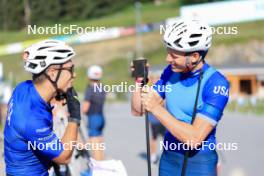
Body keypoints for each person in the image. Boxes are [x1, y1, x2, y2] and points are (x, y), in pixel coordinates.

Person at [131, 18, 229, 176]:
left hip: (199, 163)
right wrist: (139, 82)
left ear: (195, 56)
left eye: (174, 56)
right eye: (167, 52)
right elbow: (138, 110)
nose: (168, 59)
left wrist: (157, 109)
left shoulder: (216, 83)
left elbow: (195, 139)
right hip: (169, 160)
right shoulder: (170, 72)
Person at [4, 40, 81, 175]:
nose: (74, 75)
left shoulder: (23, 88)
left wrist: (58, 93)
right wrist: (74, 117)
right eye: (70, 69)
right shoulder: (30, 118)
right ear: (52, 72)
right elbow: (64, 157)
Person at [82, 65, 106, 161]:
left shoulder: (90, 89)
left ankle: (98, 166)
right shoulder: (102, 87)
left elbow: (85, 108)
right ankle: (102, 162)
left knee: (94, 143)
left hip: (93, 118)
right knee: (100, 141)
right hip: (101, 117)